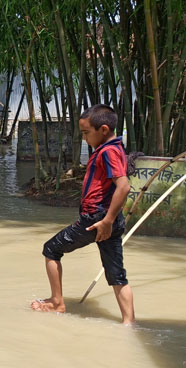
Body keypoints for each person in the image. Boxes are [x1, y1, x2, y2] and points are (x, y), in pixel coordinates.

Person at [31, 104, 136, 325]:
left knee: (51, 249)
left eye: (87, 133)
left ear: (104, 129)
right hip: (109, 221)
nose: (85, 138)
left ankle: (56, 303)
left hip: (96, 220)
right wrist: (110, 221)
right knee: (117, 275)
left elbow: (124, 187)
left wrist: (106, 221)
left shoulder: (107, 152)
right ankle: (129, 323)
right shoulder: (116, 149)